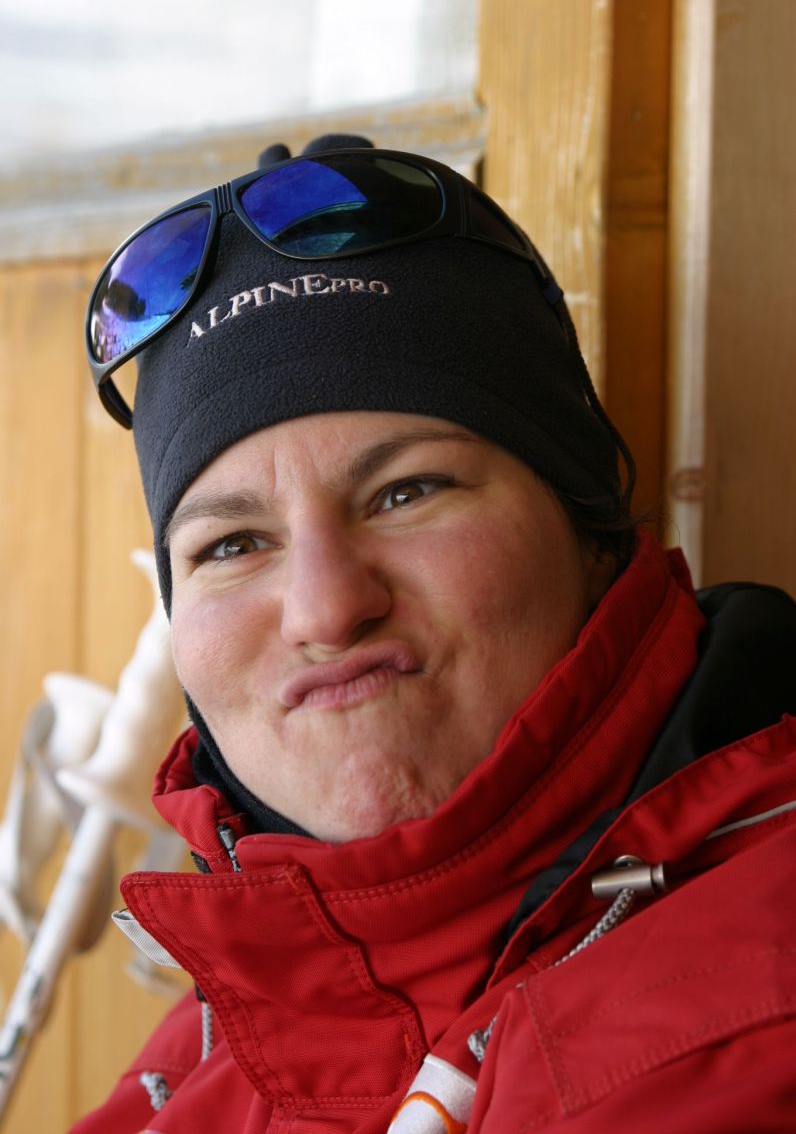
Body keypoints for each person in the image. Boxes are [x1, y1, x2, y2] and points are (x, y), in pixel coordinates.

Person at [72, 135, 796, 1133]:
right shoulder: (215, 1053)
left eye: (405, 492)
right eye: (232, 545)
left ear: (589, 531)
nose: (326, 608)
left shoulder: (760, 1000)